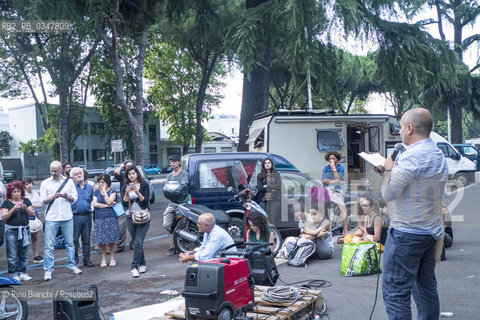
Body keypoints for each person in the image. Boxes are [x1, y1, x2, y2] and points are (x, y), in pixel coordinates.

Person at [380, 108, 448, 320]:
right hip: (429, 232)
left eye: (401, 127)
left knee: (396, 292)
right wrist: (389, 171)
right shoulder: (437, 154)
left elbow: (389, 193)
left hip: (406, 234)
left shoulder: (411, 158)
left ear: (409, 129)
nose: (399, 132)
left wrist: (389, 170)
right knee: (425, 288)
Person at [40, 161, 82, 281]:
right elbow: (42, 200)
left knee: (70, 243)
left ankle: (71, 265)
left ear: (61, 170)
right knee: (49, 245)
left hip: (66, 217)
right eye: (51, 170)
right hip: (52, 218)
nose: (53, 173)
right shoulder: (45, 183)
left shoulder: (69, 182)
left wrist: (67, 196)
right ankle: (48, 269)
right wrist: (52, 197)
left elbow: (75, 199)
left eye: (55, 171)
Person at [1, 180, 35, 281]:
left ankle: (22, 272)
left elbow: (32, 214)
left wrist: (25, 208)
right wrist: (13, 209)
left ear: (22, 192)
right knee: (12, 254)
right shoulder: (6, 203)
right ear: (10, 193)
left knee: (24, 253)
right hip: (11, 231)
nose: (17, 194)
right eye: (14, 191)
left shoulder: (26, 201)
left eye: (19, 191)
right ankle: (13, 273)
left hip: (24, 230)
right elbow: (4, 217)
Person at [122, 166, 150, 278]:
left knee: (138, 242)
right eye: (129, 174)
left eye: (133, 173)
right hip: (130, 217)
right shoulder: (126, 186)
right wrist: (126, 193)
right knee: (137, 242)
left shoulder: (144, 185)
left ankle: (134, 267)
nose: (131, 175)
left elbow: (146, 202)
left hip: (143, 216)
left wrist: (138, 193)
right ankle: (142, 263)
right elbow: (123, 204)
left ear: (137, 174)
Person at [163, 154, 188, 256]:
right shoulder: (169, 175)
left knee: (180, 225)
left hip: (181, 204)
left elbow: (183, 187)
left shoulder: (184, 174)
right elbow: (167, 189)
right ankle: (178, 237)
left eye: (174, 161)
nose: (172, 163)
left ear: (179, 162)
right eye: (171, 161)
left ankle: (174, 246)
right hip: (171, 203)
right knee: (167, 223)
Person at [70, 167, 94, 267]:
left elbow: (91, 200)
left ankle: (87, 259)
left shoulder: (89, 187)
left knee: (86, 239)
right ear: (72, 177)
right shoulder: (71, 188)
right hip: (75, 216)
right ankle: (74, 261)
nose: (79, 175)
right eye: (77, 174)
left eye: (81, 173)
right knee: (74, 240)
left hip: (87, 215)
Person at [93, 174, 119, 268]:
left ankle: (112, 257)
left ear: (107, 182)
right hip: (99, 217)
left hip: (110, 216)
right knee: (101, 240)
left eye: (103, 182)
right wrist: (107, 205)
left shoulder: (112, 191)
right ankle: (103, 258)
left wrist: (104, 193)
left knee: (111, 239)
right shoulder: (96, 192)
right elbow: (95, 204)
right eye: (99, 182)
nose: (100, 184)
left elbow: (109, 201)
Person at [322, 151, 349, 237]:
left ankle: (346, 230)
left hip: (338, 190)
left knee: (341, 207)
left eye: (333, 158)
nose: (331, 160)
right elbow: (324, 180)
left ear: (337, 159)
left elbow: (338, 179)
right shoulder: (325, 168)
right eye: (330, 159)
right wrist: (335, 181)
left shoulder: (341, 168)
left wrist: (333, 168)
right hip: (329, 189)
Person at [114, 159, 134, 252]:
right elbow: (115, 172)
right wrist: (121, 166)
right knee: (121, 226)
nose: (129, 168)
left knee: (135, 225)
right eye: (127, 166)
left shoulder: (138, 177)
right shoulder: (122, 176)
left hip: (135, 204)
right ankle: (120, 245)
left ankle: (134, 243)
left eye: (131, 166)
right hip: (123, 204)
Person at [23, 177, 44, 263]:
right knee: (25, 237)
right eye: (26, 184)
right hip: (26, 215)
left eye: (30, 183)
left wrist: (32, 205)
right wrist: (31, 207)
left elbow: (40, 204)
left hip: (34, 215)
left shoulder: (35, 194)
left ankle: (36, 255)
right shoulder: (22, 195)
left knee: (34, 237)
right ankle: (23, 256)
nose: (29, 185)